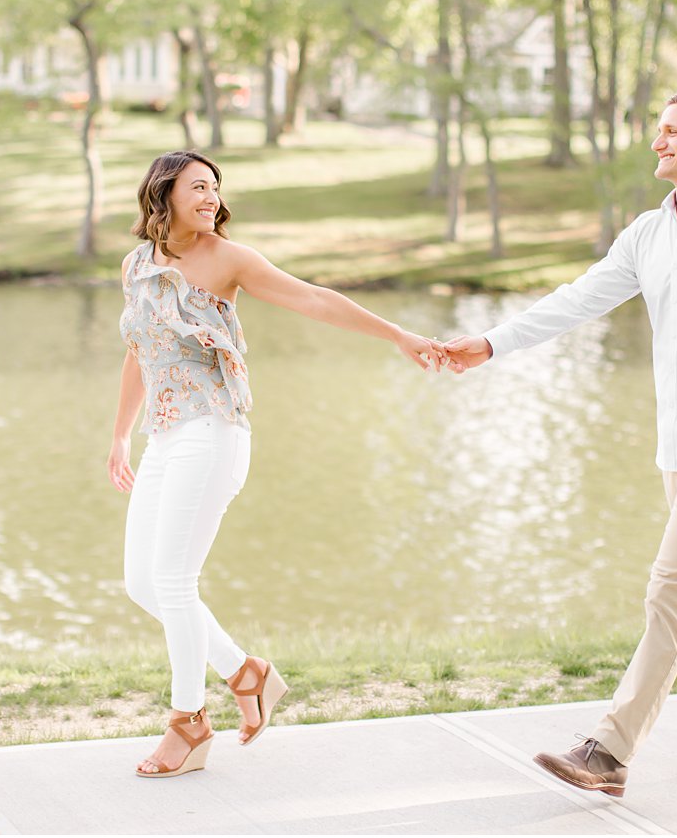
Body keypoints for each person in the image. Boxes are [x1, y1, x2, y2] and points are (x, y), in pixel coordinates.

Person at [442, 90, 677, 798]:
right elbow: (579, 298)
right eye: (659, 130)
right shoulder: (649, 232)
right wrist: (489, 343)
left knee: (670, 592)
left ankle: (607, 751)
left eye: (672, 131)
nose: (658, 142)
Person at [111, 149, 444, 778]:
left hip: (213, 431)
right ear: (163, 195)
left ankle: (187, 723)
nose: (210, 197)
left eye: (214, 187)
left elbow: (314, 300)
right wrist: (119, 435)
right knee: (142, 583)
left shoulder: (229, 259)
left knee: (176, 582)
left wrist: (398, 334)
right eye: (197, 187)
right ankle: (247, 672)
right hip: (165, 435)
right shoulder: (136, 266)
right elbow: (138, 350)